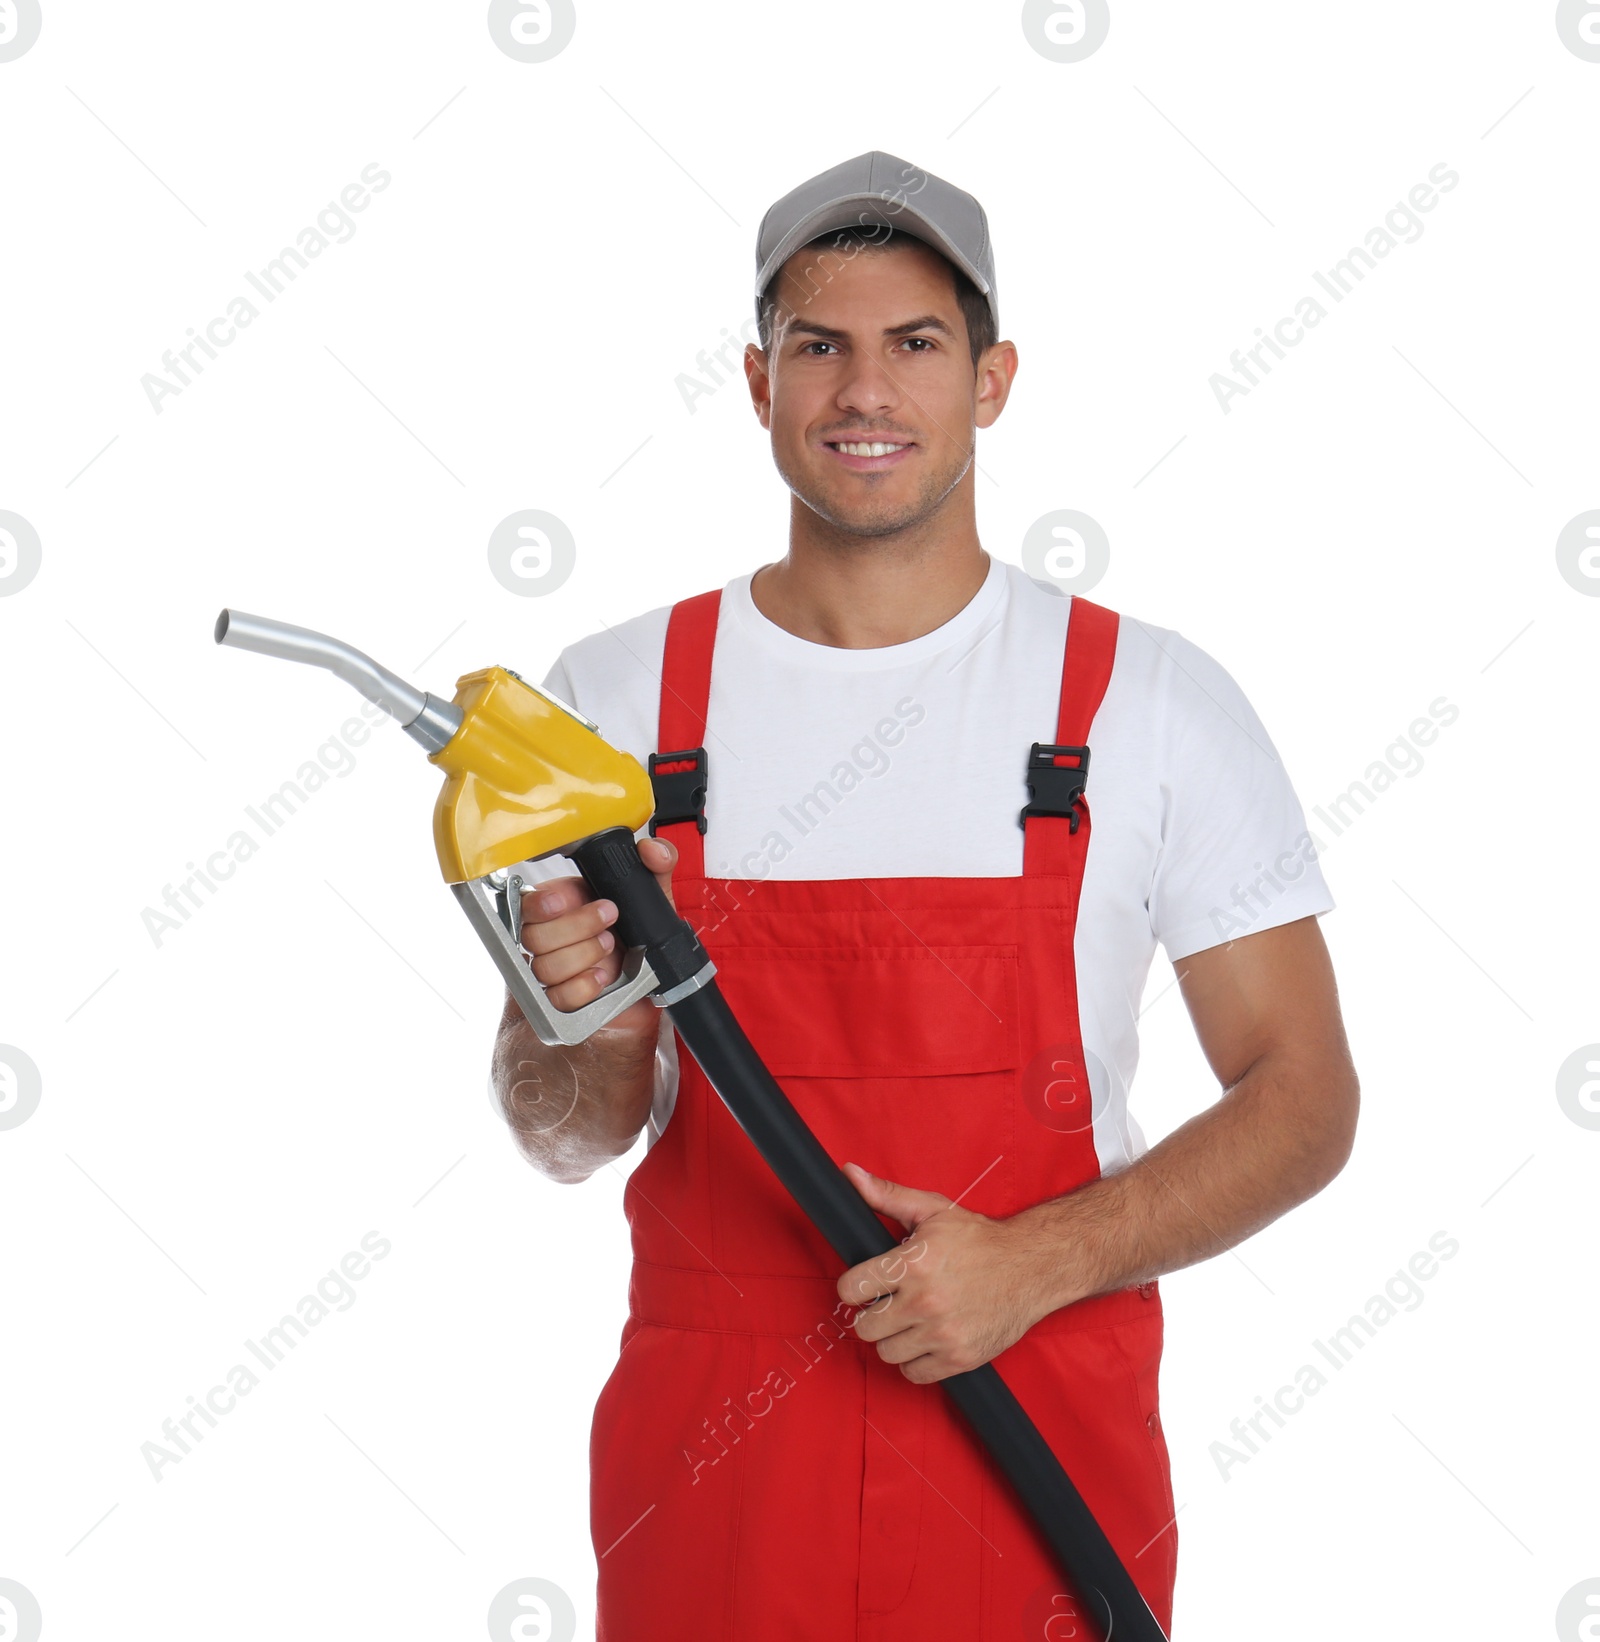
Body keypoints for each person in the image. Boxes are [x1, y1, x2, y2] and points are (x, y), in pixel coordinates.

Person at [489, 151, 1359, 1640]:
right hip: (714, 1473)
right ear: (758, 377)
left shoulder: (1145, 703)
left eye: (916, 344)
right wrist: (576, 1025)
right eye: (820, 346)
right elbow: (566, 1132)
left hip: (1032, 1447)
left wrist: (1041, 1261)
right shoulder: (612, 707)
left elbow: (1306, 1099)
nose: (863, 392)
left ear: (995, 378)